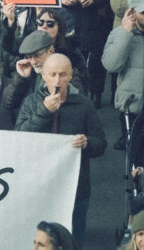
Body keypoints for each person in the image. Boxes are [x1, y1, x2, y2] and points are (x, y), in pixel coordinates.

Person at [16, 53, 105, 244]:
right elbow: (20, 137)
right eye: (53, 74)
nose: (57, 80)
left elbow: (101, 144)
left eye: (63, 75)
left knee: (73, 237)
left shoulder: (84, 104)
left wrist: (87, 142)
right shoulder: (32, 102)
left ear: (71, 76)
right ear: (44, 76)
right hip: (41, 184)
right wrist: (44, 112)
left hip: (75, 187)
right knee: (42, 238)